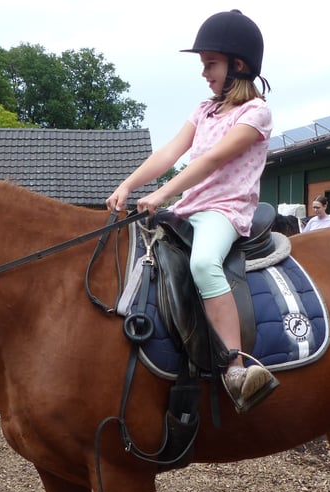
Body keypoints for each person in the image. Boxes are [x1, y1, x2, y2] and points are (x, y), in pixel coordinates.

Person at [106, 9, 277, 413]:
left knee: (203, 264)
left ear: (238, 65)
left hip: (223, 210)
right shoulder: (203, 110)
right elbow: (170, 152)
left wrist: (161, 194)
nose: (205, 73)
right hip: (188, 208)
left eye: (210, 64)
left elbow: (213, 160)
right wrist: (128, 184)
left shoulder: (256, 114)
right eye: (204, 66)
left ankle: (237, 366)